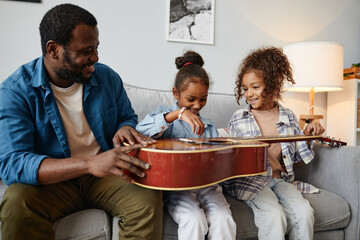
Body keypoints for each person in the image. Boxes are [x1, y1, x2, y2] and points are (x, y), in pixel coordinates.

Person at [0, 4, 163, 240]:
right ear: (54, 49)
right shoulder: (15, 92)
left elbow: (127, 117)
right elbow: (13, 164)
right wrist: (89, 164)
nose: (95, 58)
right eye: (86, 51)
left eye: (96, 48)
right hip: (53, 183)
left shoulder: (107, 78)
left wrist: (124, 127)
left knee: (147, 197)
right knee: (16, 202)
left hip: (104, 178)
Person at [221, 47, 325, 240]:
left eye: (255, 87)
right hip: (252, 181)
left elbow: (296, 155)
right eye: (245, 89)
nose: (249, 94)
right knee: (274, 215)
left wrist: (308, 135)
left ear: (272, 86)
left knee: (304, 212)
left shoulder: (288, 116)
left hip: (280, 179)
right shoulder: (239, 118)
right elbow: (231, 158)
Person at [136, 50, 236, 240]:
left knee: (223, 218)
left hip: (207, 185)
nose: (197, 105)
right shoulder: (165, 115)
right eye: (191, 99)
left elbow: (218, 161)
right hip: (178, 187)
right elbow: (140, 131)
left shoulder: (208, 125)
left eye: (203, 99)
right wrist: (178, 114)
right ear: (176, 93)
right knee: (193, 219)